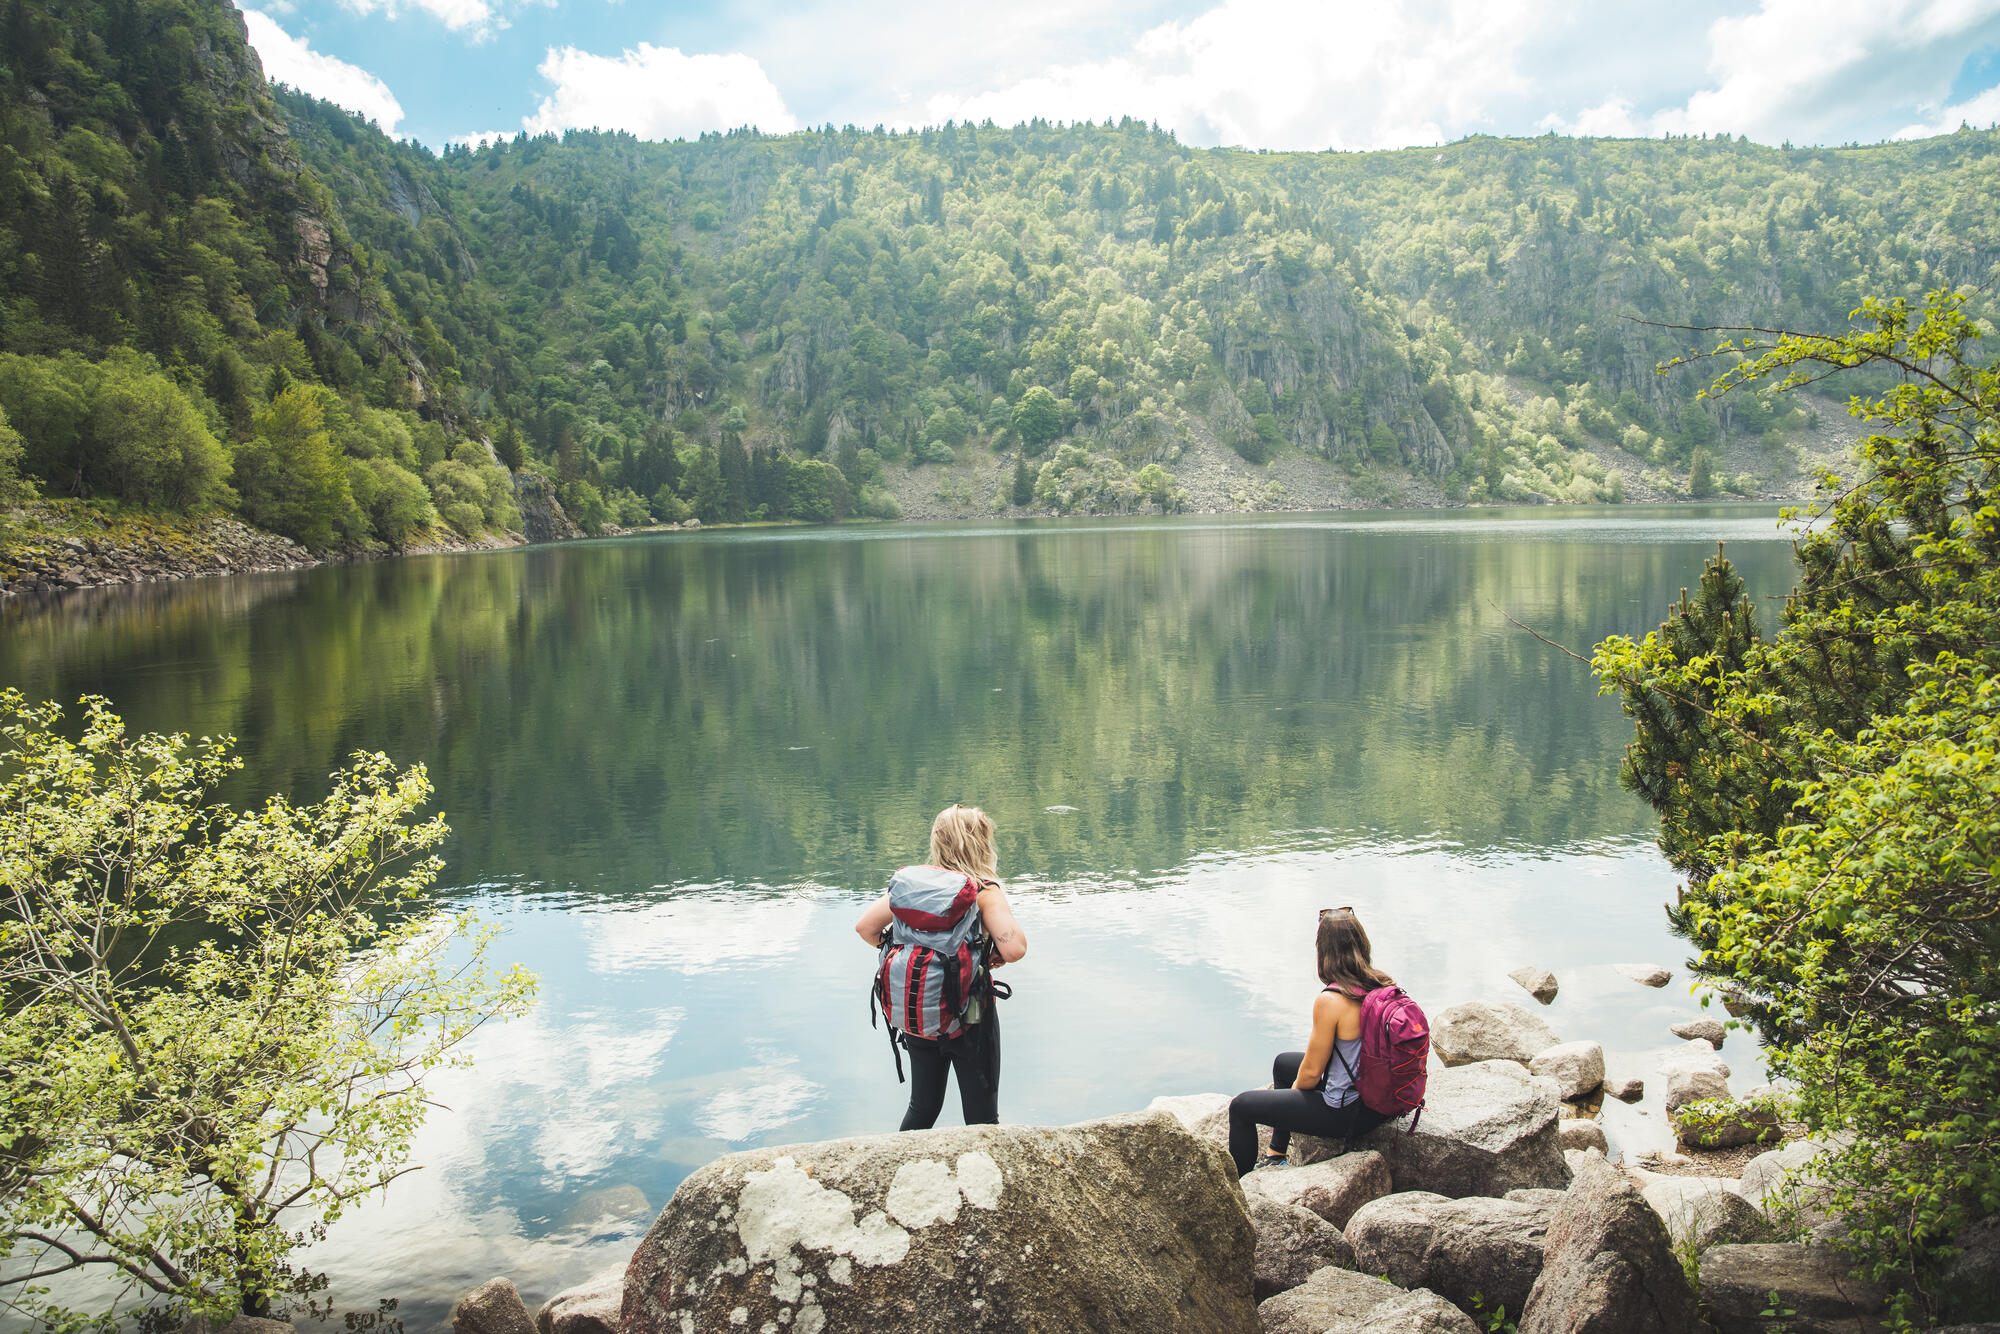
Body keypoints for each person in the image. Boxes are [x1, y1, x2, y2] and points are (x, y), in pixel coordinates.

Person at [855, 804, 1027, 1129]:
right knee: (981, 1117)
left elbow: (865, 928)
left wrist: (901, 948)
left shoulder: (913, 887)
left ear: (938, 841)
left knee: (922, 1107)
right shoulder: (983, 891)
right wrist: (994, 952)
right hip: (971, 1017)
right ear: (982, 844)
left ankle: (903, 1169)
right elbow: (1014, 948)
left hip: (921, 1010)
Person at [1226, 906, 1391, 1177]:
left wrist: (1291, 1096)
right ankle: (1276, 1154)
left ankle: (1238, 1192)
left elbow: (1312, 1074)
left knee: (1242, 1107)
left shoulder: (1331, 1000)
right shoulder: (1381, 984)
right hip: (1375, 1101)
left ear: (1324, 951)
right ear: (1362, 944)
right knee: (1283, 1063)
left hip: (1346, 1113)